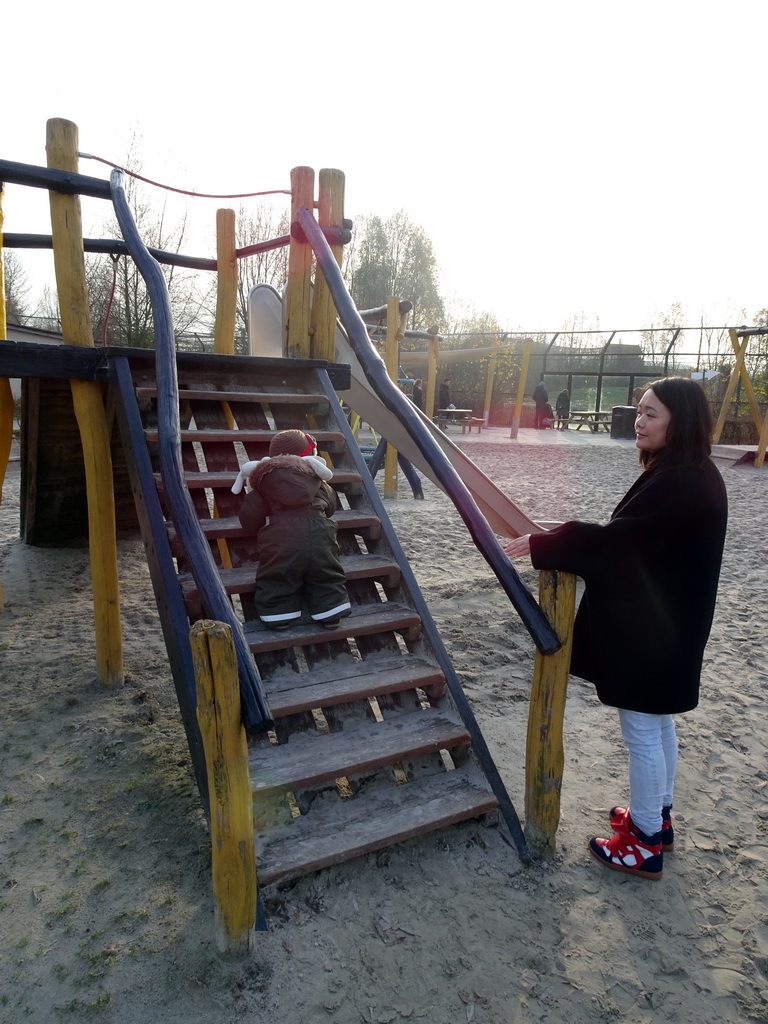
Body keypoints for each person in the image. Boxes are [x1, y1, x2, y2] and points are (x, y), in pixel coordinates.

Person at [504, 377, 727, 881]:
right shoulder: (690, 471)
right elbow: (635, 541)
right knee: (658, 722)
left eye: (651, 414)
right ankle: (659, 818)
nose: (639, 421)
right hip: (671, 625)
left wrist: (550, 542)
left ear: (680, 422)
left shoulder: (682, 482)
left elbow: (620, 544)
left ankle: (645, 842)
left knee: (644, 730)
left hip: (655, 631)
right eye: (641, 411)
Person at [231, 430, 351, 631]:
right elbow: (330, 507)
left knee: (278, 575)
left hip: (280, 535)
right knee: (326, 572)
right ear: (309, 456)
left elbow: (250, 519)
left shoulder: (264, 480)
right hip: (320, 532)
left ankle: (278, 616)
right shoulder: (317, 478)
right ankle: (331, 614)